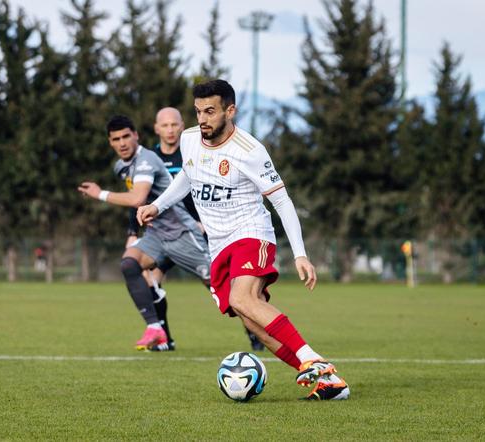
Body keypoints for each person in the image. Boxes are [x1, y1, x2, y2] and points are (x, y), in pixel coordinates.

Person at [137, 79, 349, 400]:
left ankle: (313, 360)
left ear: (230, 110)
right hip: (218, 244)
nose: (203, 119)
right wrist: (157, 204)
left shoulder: (249, 150)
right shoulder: (190, 139)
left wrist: (300, 254)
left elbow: (282, 201)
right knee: (253, 322)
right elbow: (187, 176)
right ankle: (329, 383)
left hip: (251, 234)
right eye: (198, 112)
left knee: (242, 299)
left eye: (210, 111)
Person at [127, 107, 264, 352]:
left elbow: (205, 190)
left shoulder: (193, 151)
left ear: (182, 126)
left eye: (174, 125)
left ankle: (254, 332)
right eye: (165, 125)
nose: (170, 130)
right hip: (160, 235)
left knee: (219, 286)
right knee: (150, 282)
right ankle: (164, 339)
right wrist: (132, 232)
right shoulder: (151, 159)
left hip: (194, 233)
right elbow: (138, 196)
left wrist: (203, 221)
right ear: (156, 128)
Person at [78, 115, 211, 351]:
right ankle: (155, 329)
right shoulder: (121, 166)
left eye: (126, 136)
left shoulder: (147, 160)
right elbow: (136, 204)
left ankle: (263, 326)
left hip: (182, 234)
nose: (122, 143)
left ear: (136, 135)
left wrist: (100, 194)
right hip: (156, 237)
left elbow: (138, 198)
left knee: (226, 296)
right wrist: (133, 232)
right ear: (110, 142)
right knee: (129, 264)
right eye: (116, 139)